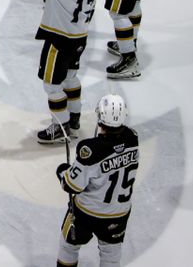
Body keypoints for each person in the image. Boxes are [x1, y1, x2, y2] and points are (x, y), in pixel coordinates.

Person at [8, 0, 99, 143]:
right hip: (79, 38)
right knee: (70, 77)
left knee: (52, 85)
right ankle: (74, 119)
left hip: (60, 39)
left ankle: (61, 127)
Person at [55, 94, 139, 267]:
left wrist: (62, 171)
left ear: (100, 117)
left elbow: (72, 185)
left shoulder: (90, 150)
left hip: (87, 213)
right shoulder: (133, 138)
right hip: (119, 212)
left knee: (69, 246)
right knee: (111, 253)